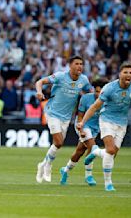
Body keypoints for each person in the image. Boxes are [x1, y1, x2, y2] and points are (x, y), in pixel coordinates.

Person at [77, 63, 131, 191]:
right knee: (110, 150)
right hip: (106, 120)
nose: (128, 75)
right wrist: (83, 122)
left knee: (112, 153)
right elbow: (94, 106)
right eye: (125, 72)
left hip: (122, 123)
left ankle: (96, 152)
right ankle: (108, 184)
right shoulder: (109, 88)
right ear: (120, 74)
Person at [35, 55, 92, 184]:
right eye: (76, 63)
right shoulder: (60, 76)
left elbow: (90, 93)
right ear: (70, 65)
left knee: (57, 145)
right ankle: (48, 165)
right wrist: (39, 92)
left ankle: (42, 164)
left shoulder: (83, 80)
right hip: (52, 113)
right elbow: (40, 82)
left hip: (67, 117)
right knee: (59, 142)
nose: (79, 66)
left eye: (81, 64)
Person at [59, 78, 108, 186]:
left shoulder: (108, 101)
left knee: (79, 151)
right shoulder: (85, 98)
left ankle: (65, 170)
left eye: (101, 92)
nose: (98, 94)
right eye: (96, 91)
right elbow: (80, 116)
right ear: (93, 90)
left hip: (95, 127)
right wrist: (81, 130)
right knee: (92, 147)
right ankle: (88, 175)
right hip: (83, 125)